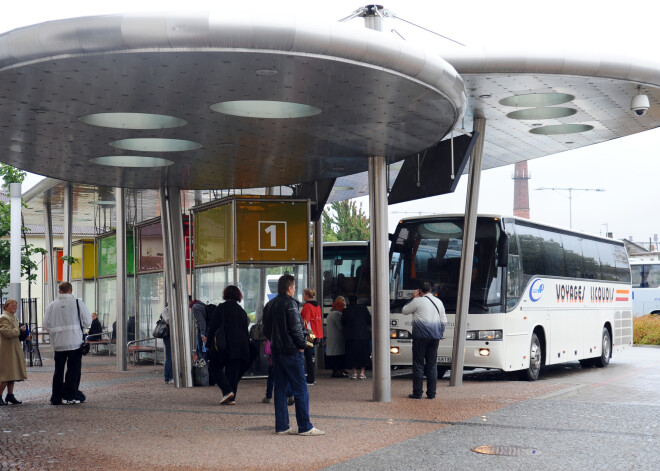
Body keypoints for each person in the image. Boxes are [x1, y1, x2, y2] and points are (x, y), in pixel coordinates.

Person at [263, 274, 324, 436]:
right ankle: (305, 426)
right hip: (291, 351)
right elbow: (296, 328)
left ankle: (282, 426)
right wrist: (302, 345)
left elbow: (266, 330)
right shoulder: (290, 304)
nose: (295, 289)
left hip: (277, 352)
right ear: (290, 288)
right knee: (301, 388)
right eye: (294, 287)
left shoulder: (270, 304)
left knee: (280, 388)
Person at [43, 282, 92, 405]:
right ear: (71, 290)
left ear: (59, 291)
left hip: (58, 343)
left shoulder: (52, 305)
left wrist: (55, 332)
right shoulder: (77, 302)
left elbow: (45, 324)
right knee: (73, 370)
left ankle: (56, 397)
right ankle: (70, 395)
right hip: (75, 342)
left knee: (58, 371)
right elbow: (87, 321)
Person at [401, 281, 447, 399]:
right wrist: (440, 334)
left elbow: (404, 310)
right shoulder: (439, 302)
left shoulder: (417, 301)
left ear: (420, 291)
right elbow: (443, 321)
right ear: (430, 290)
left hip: (420, 338)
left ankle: (417, 393)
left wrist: (413, 298)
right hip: (434, 338)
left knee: (418, 364)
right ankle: (431, 394)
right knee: (432, 365)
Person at [206, 286, 250, 405]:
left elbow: (213, 327)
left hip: (224, 345)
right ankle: (231, 398)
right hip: (240, 347)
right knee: (233, 373)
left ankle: (227, 391)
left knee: (214, 367)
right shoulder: (241, 311)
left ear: (225, 294)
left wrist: (208, 343)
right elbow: (246, 331)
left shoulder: (221, 308)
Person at [0, 299, 29, 405]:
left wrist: (24, 336)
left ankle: (10, 395)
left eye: (16, 306)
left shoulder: (13, 317)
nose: (14, 308)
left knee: (12, 374)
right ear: (6, 307)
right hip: (7, 350)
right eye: (12, 306)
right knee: (6, 375)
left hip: (13, 348)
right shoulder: (4, 318)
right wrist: (19, 330)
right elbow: (7, 332)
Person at [341, 295, 372, 380]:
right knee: (363, 355)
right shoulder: (364, 309)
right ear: (358, 300)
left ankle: (354, 373)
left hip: (350, 337)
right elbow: (369, 320)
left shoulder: (346, 310)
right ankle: (362, 373)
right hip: (363, 336)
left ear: (349, 301)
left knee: (352, 355)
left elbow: (342, 322)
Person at [300, 288, 323, 385]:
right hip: (317, 333)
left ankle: (310, 378)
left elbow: (306, 321)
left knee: (308, 356)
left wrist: (306, 333)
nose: (303, 296)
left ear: (307, 296)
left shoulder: (307, 306)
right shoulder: (317, 306)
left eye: (304, 294)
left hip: (310, 334)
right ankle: (311, 377)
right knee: (310, 355)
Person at [262, 339, 294, 406]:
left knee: (271, 380)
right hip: (284, 361)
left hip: (273, 363)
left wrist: (265, 345)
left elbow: (267, 351)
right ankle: (290, 395)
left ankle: (268, 396)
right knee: (286, 379)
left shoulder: (271, 338)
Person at [325, 296, 347, 378]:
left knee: (335, 354)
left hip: (332, 337)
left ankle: (338, 370)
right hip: (337, 337)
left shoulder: (330, 313)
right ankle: (337, 371)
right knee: (338, 355)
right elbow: (340, 326)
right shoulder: (337, 314)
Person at [189, 296, 207, 361]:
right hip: (204, 330)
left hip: (203, 332)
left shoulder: (195, 307)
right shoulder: (199, 303)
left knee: (202, 351)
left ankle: (204, 368)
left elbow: (201, 321)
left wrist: (202, 334)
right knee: (199, 350)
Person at [160, 304, 173, 384]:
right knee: (169, 357)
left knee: (172, 357)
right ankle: (167, 377)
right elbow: (168, 320)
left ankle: (171, 376)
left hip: (173, 336)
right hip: (168, 336)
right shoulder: (166, 310)